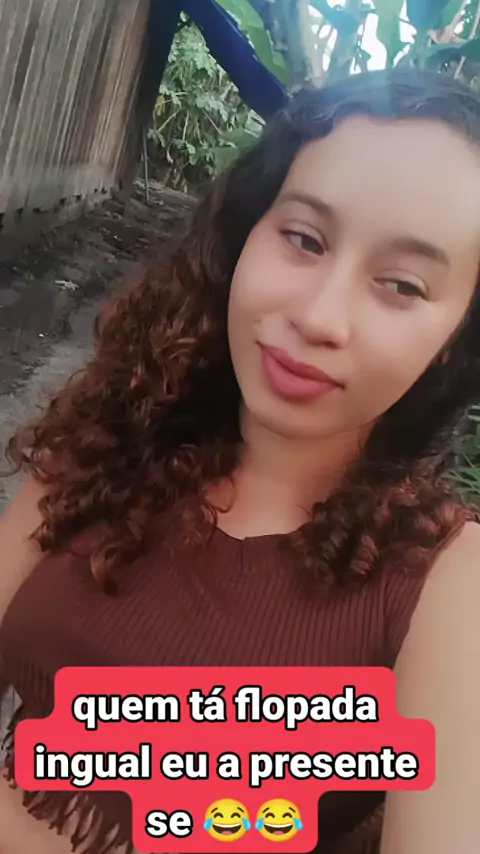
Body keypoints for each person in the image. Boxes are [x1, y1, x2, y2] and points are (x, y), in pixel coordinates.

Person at [0, 67, 480, 854]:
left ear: (454, 340)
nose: (319, 317)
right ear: (246, 233)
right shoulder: (119, 431)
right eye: (304, 239)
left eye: (400, 285)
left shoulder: (445, 582)